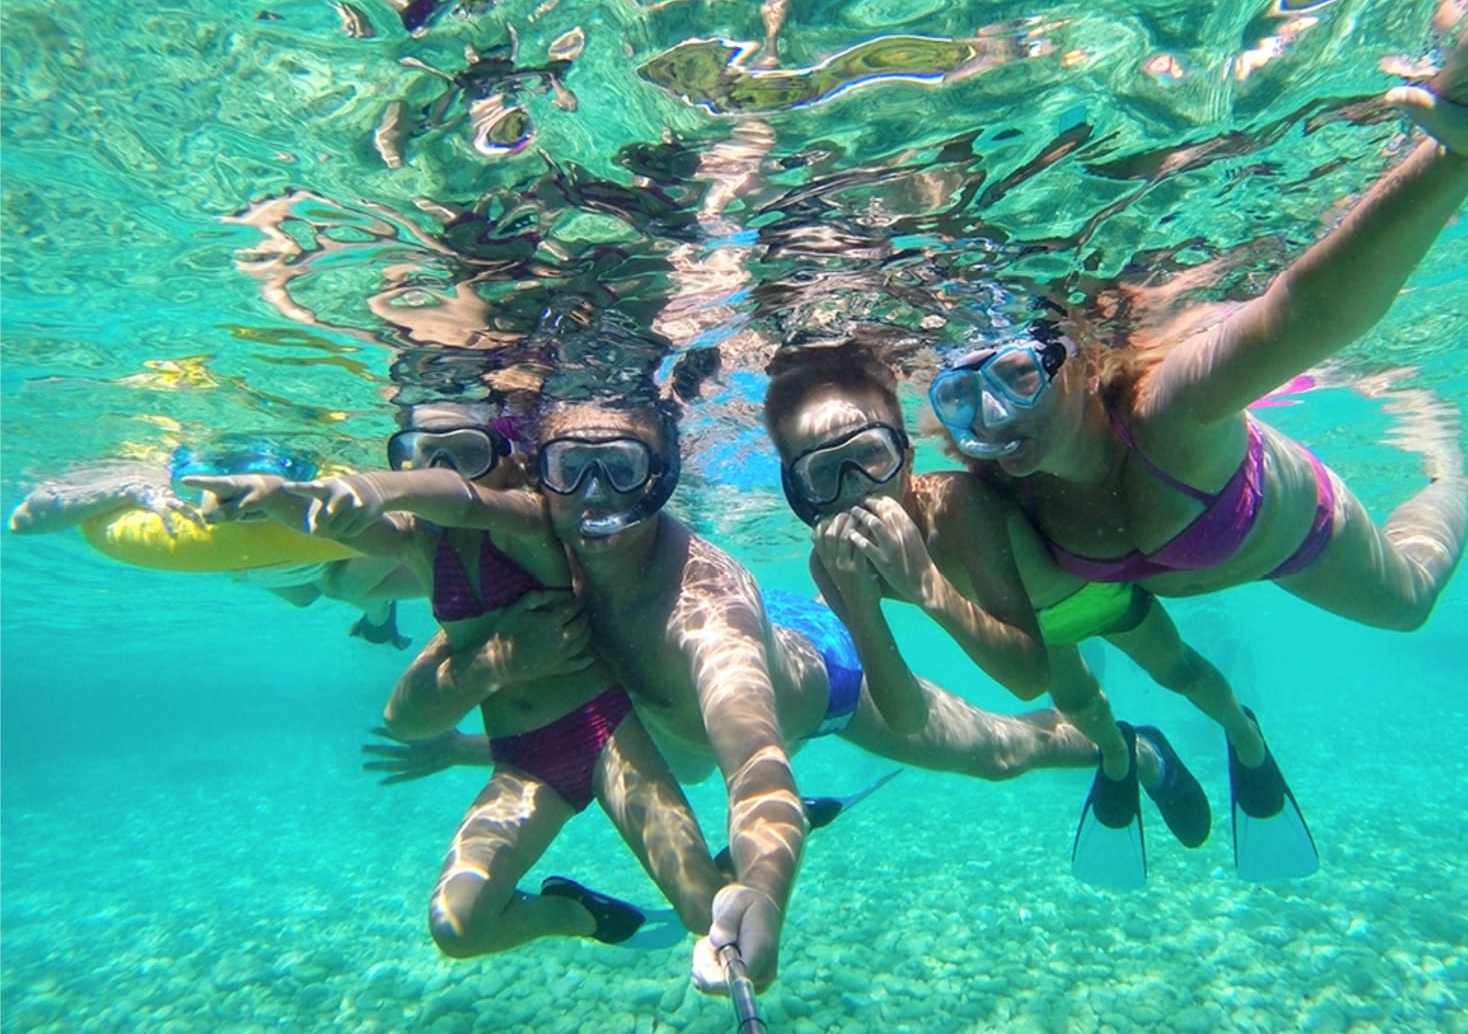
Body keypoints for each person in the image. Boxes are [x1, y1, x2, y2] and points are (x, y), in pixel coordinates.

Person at [924, 0, 1468, 872]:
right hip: (1163, 591)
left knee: (1408, 603)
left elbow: (1306, 310)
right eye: (958, 396)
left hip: (1288, 536)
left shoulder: (1166, 410)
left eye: (1018, 374)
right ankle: (1178, 739)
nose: (990, 417)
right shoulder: (993, 485)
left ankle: (1448, 474)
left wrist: (1455, 159)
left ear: (1081, 358)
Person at [361, 384, 1187, 995]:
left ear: (660, 478)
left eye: (621, 469)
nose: (595, 498)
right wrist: (474, 744)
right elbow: (576, 712)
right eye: (570, 470)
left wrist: (763, 891)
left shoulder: (708, 629)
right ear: (534, 473)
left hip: (822, 670)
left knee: (1000, 754)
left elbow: (756, 761)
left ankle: (1128, 745)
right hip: (763, 624)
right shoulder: (540, 568)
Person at [184, 404, 727, 958]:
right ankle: (574, 912)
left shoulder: (527, 517)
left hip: (606, 739)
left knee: (703, 913)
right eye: (427, 455)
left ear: (509, 461)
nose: (446, 468)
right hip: (525, 761)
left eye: (468, 454)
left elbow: (467, 501)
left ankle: (776, 836)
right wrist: (272, 494)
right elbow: (328, 520)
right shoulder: (420, 540)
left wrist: (381, 486)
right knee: (459, 928)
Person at [764, 341, 1291, 886]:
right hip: (1035, 628)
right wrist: (863, 606)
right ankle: (1120, 755)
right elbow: (907, 719)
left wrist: (926, 586)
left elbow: (1022, 676)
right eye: (822, 473)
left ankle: (1243, 735)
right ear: (799, 495)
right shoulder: (834, 564)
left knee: (1178, 669)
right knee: (1079, 704)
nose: (856, 488)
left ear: (908, 453)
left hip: (1092, 593)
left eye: (872, 455)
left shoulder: (956, 509)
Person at [7, 449, 419, 649]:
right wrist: (127, 489)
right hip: (261, 565)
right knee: (306, 595)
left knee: (342, 587)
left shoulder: (320, 470)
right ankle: (378, 618)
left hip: (335, 551)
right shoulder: (173, 477)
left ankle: (380, 619)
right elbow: (24, 520)